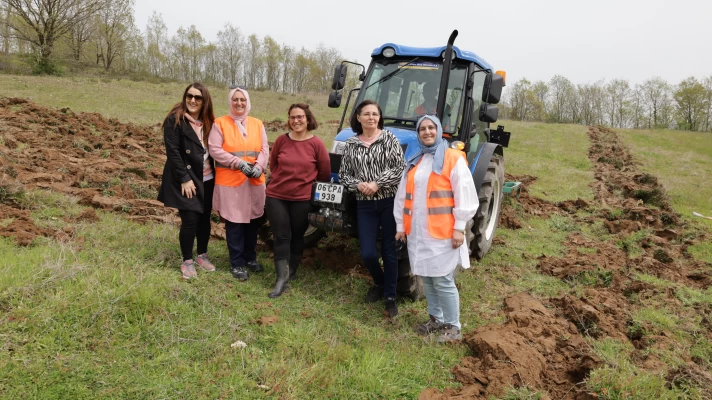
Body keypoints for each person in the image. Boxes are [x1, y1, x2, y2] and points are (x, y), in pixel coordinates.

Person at [393, 115, 477, 342]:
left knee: (443, 279)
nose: (427, 132)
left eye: (431, 128)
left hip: (443, 233)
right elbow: (403, 196)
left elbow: (465, 195)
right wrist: (401, 225)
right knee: (427, 277)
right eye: (422, 129)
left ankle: (453, 326)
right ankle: (436, 318)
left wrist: (459, 227)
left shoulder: (453, 159)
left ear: (439, 131)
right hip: (418, 232)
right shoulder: (415, 160)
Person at [339, 100, 405, 318]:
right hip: (364, 204)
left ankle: (390, 297)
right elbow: (344, 175)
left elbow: (399, 169)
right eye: (366, 114)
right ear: (358, 117)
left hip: (388, 201)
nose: (371, 117)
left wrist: (377, 183)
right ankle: (380, 282)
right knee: (368, 253)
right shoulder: (350, 144)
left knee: (389, 252)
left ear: (379, 117)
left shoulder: (389, 139)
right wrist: (358, 184)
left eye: (375, 114)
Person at [265, 104, 331, 298]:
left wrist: (306, 187)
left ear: (308, 119)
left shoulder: (316, 144)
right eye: (292, 117)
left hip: (302, 199)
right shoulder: (281, 141)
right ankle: (280, 280)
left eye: (300, 117)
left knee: (296, 236)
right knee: (281, 236)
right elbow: (273, 164)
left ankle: (291, 271)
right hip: (277, 195)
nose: (296, 121)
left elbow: (324, 172)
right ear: (289, 119)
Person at [208, 86, 268, 281]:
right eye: (235, 100)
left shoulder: (257, 124)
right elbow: (215, 149)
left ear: (247, 102)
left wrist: (259, 166)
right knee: (234, 223)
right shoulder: (220, 124)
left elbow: (264, 149)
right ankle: (237, 263)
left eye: (242, 100)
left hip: (253, 181)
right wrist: (238, 163)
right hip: (230, 182)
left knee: (252, 221)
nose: (239, 103)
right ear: (230, 102)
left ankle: (250, 258)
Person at [158, 82, 217, 279]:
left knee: (204, 218)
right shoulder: (175, 120)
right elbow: (173, 152)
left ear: (204, 101)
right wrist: (184, 178)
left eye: (197, 97)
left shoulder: (209, 122)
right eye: (189, 96)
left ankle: (202, 255)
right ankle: (187, 260)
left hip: (207, 178)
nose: (192, 100)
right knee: (190, 220)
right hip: (186, 178)